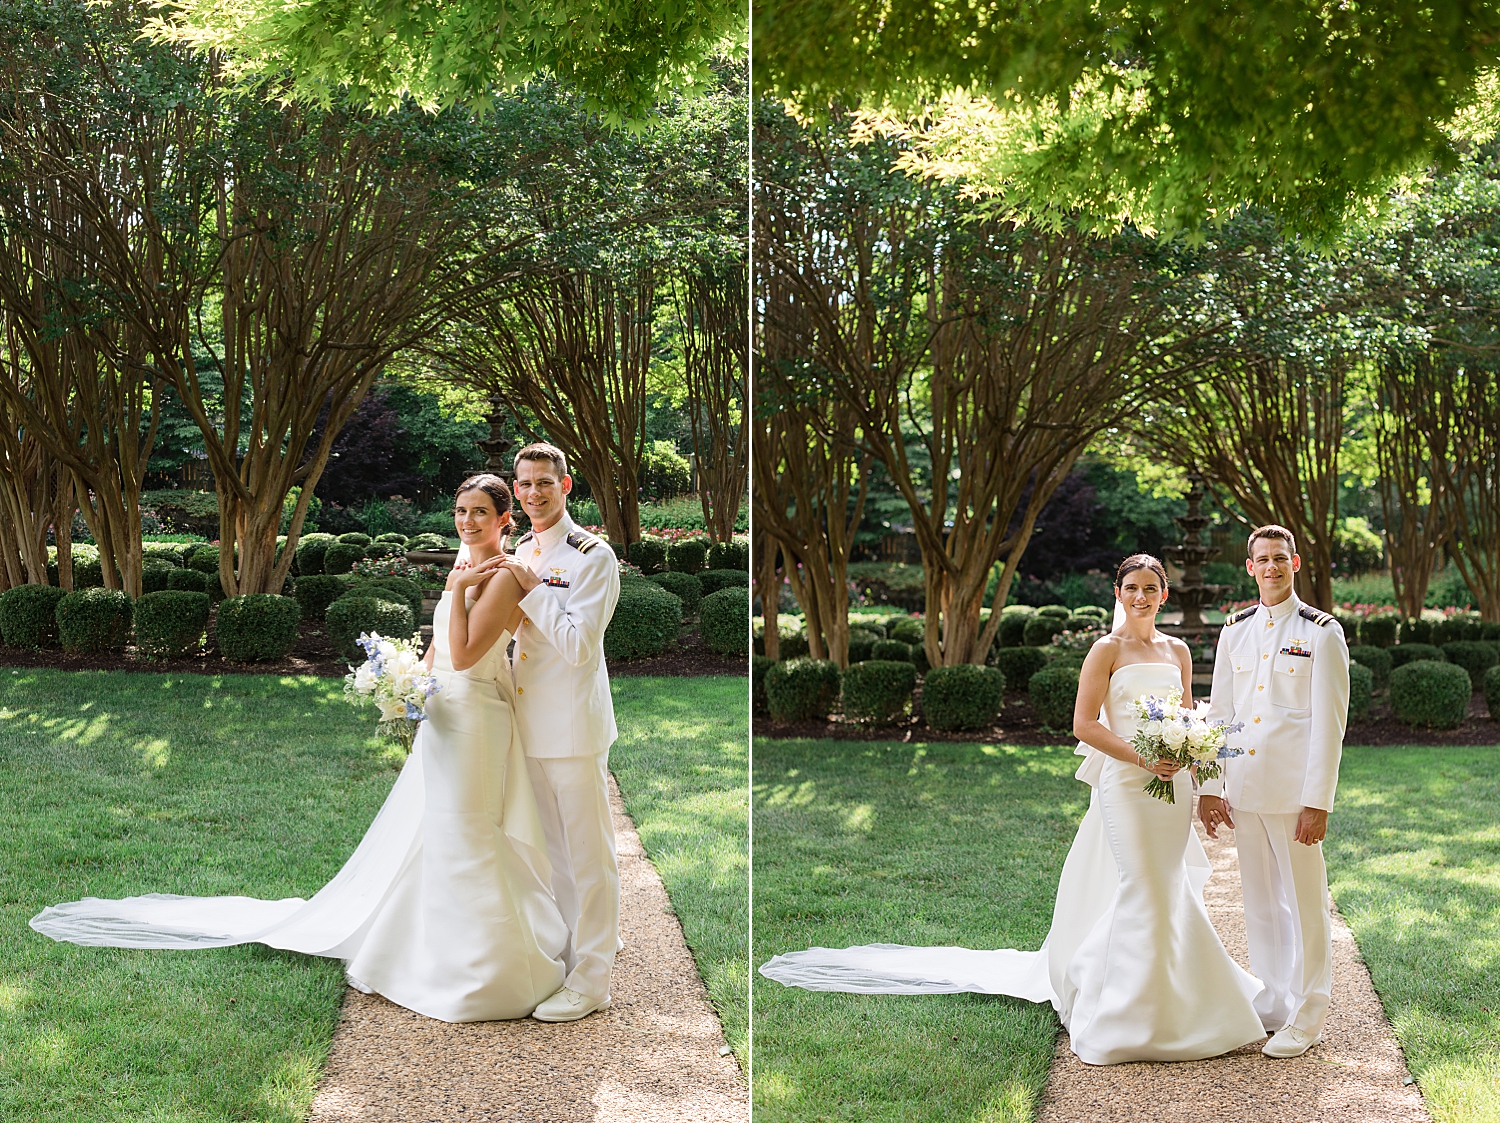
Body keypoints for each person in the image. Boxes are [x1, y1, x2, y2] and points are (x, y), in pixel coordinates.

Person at [30, 475, 571, 1023]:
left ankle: (488, 966)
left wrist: (456, 590)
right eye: (460, 510)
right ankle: (435, 948)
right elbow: (439, 649)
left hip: (478, 717)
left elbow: (468, 648)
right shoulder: (464, 567)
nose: (467, 521)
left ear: (506, 519)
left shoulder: (500, 577)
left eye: (480, 512)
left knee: (472, 830)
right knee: (439, 831)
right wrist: (406, 683)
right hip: (443, 716)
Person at [758, 554, 1267, 1065]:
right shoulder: (1105, 650)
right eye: (1131, 587)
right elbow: (1084, 725)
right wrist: (1141, 756)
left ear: (1164, 594)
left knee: (1170, 882)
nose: (1141, 596)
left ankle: (1183, 1002)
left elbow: (1187, 719)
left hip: (1171, 790)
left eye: (1150, 587)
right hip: (1126, 784)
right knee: (1142, 884)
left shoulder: (1177, 650)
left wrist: (1192, 769)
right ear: (1118, 594)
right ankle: (1118, 1009)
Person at [1197, 524, 1349, 1059]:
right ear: (1249, 566)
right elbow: (1220, 715)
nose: (1271, 567)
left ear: (1296, 563)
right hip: (1244, 790)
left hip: (1293, 796)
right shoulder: (1234, 631)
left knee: (1307, 907)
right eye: (1261, 559)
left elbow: (1329, 726)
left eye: (1279, 558)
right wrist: (1212, 786)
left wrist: (1318, 801)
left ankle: (1310, 1014)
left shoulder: (1321, 632)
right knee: (1260, 904)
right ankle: (1272, 1000)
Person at [485, 442, 622, 1022]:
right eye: (525, 484)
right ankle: (573, 957)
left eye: (545, 482)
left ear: (566, 486)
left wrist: (529, 585)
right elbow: (524, 633)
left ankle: (593, 982)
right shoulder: (525, 548)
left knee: (590, 858)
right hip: (527, 721)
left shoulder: (593, 555)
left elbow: (576, 645)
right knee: (557, 858)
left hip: (570, 726)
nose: (535, 493)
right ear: (515, 490)